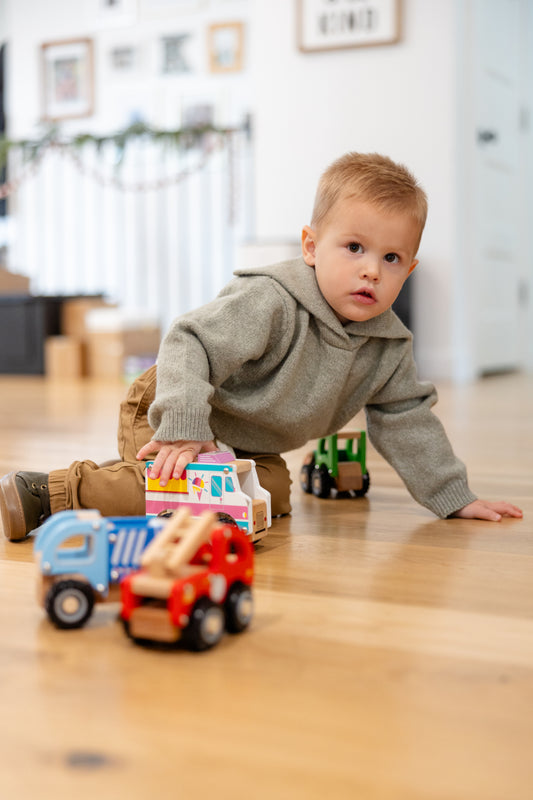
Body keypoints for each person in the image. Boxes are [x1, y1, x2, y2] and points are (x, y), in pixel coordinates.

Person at [0, 152, 522, 541]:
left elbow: (407, 418)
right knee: (183, 491)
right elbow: (189, 339)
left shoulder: (387, 345)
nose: (370, 269)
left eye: (391, 258)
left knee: (269, 498)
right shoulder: (271, 299)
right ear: (312, 247)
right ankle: (49, 492)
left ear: (408, 270)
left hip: (243, 439)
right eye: (355, 247)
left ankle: (152, 475)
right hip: (177, 401)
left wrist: (454, 497)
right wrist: (184, 427)